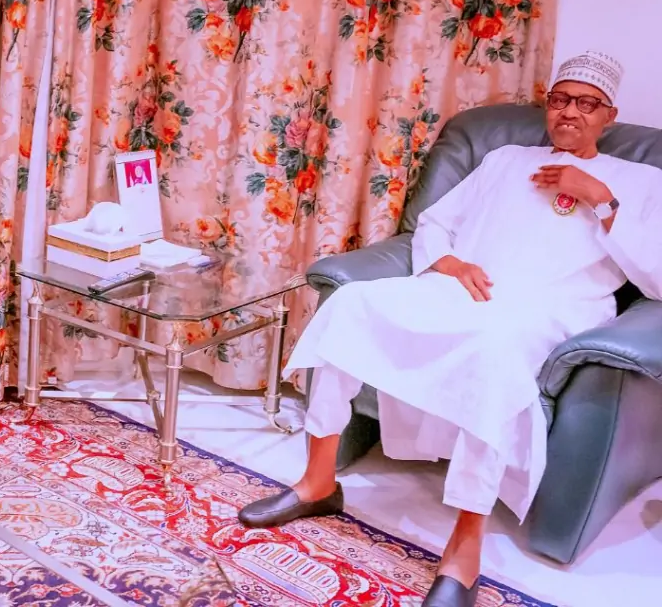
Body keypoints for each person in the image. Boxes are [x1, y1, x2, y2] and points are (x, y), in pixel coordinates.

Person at [237, 51, 662, 607]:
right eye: (561, 99)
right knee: (350, 305)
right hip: (465, 289)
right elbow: (435, 223)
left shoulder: (639, 181)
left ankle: (464, 549)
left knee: (494, 352)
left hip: (552, 308)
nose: (570, 112)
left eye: (587, 104)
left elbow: (655, 277)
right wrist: (450, 263)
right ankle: (318, 482)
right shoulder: (507, 159)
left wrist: (600, 198)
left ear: (609, 116)